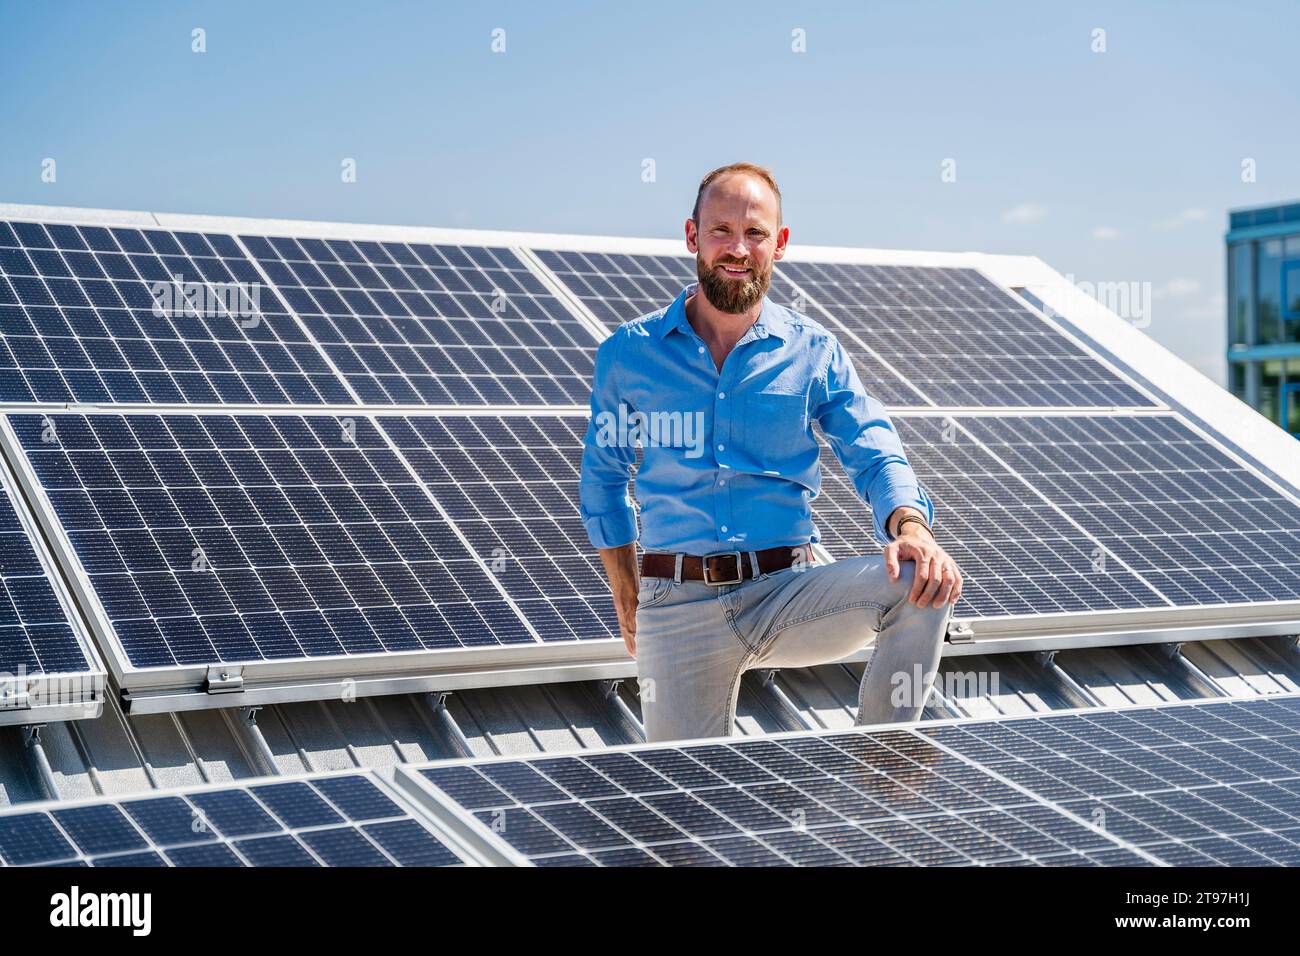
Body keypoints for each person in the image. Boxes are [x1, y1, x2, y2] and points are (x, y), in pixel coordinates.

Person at [579, 162, 963, 743]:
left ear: (779, 244)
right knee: (682, 807)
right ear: (692, 237)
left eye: (755, 233)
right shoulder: (628, 355)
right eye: (721, 231)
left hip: (787, 593)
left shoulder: (814, 352)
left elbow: (874, 451)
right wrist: (626, 588)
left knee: (920, 576)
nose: (738, 248)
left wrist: (911, 525)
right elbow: (603, 478)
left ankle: (881, 775)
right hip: (676, 605)